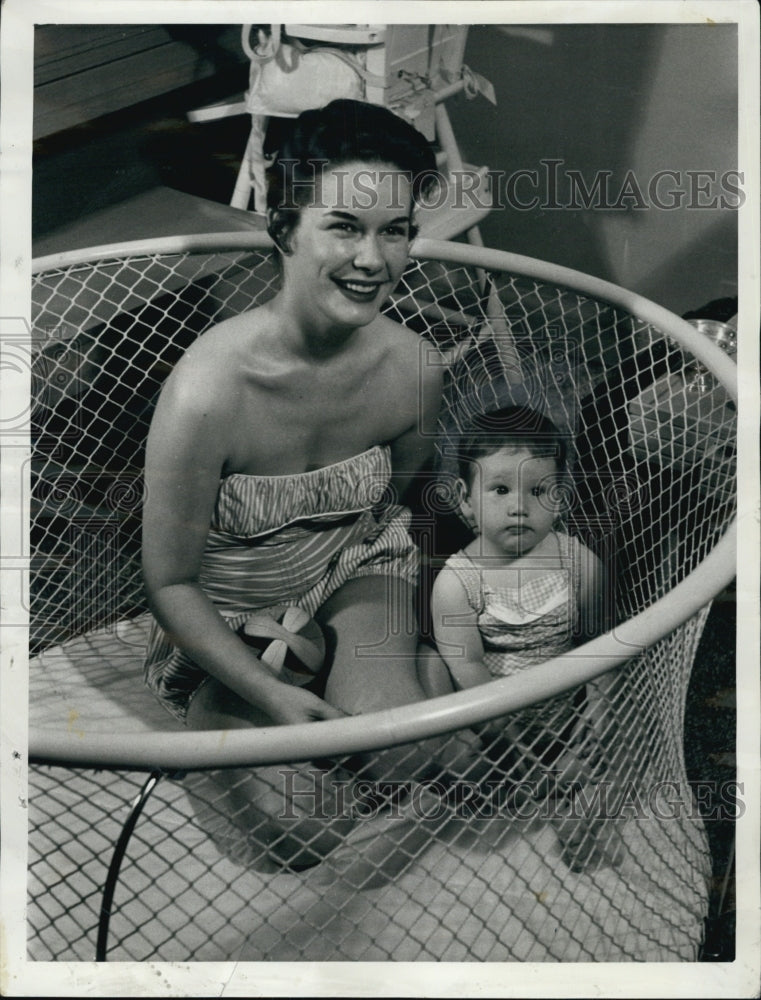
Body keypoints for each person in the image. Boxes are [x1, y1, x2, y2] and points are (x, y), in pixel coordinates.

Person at [141, 99, 474, 872]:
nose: (373, 260)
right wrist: (270, 694)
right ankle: (293, 701)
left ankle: (401, 682)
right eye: (345, 227)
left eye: (394, 231)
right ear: (285, 224)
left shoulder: (414, 367)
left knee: (390, 755)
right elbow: (170, 581)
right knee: (300, 834)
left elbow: (398, 509)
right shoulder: (207, 391)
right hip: (230, 621)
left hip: (353, 574)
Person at [424, 404, 623, 870]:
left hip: (566, 714)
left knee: (597, 776)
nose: (519, 506)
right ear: (463, 498)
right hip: (494, 720)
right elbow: (467, 666)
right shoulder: (458, 581)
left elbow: (599, 647)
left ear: (561, 496)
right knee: (461, 774)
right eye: (499, 489)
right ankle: (500, 793)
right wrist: (502, 732)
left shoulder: (577, 562)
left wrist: (597, 713)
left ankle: (580, 826)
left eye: (538, 491)